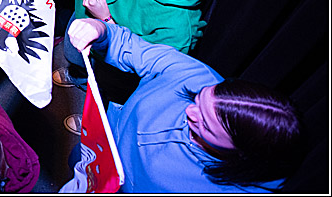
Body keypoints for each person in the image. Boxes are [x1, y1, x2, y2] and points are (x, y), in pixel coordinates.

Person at [24, 0, 225, 131]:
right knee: (73, 55)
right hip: (80, 18)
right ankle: (78, 76)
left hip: (113, 69)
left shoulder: (178, 27)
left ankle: (90, 110)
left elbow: (147, 70)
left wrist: (105, 21)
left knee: (102, 92)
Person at [62, 18, 302, 193]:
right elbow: (130, 46)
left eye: (205, 124)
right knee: (74, 158)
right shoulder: (195, 77)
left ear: (240, 155)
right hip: (102, 148)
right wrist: (100, 30)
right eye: (198, 99)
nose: (189, 111)